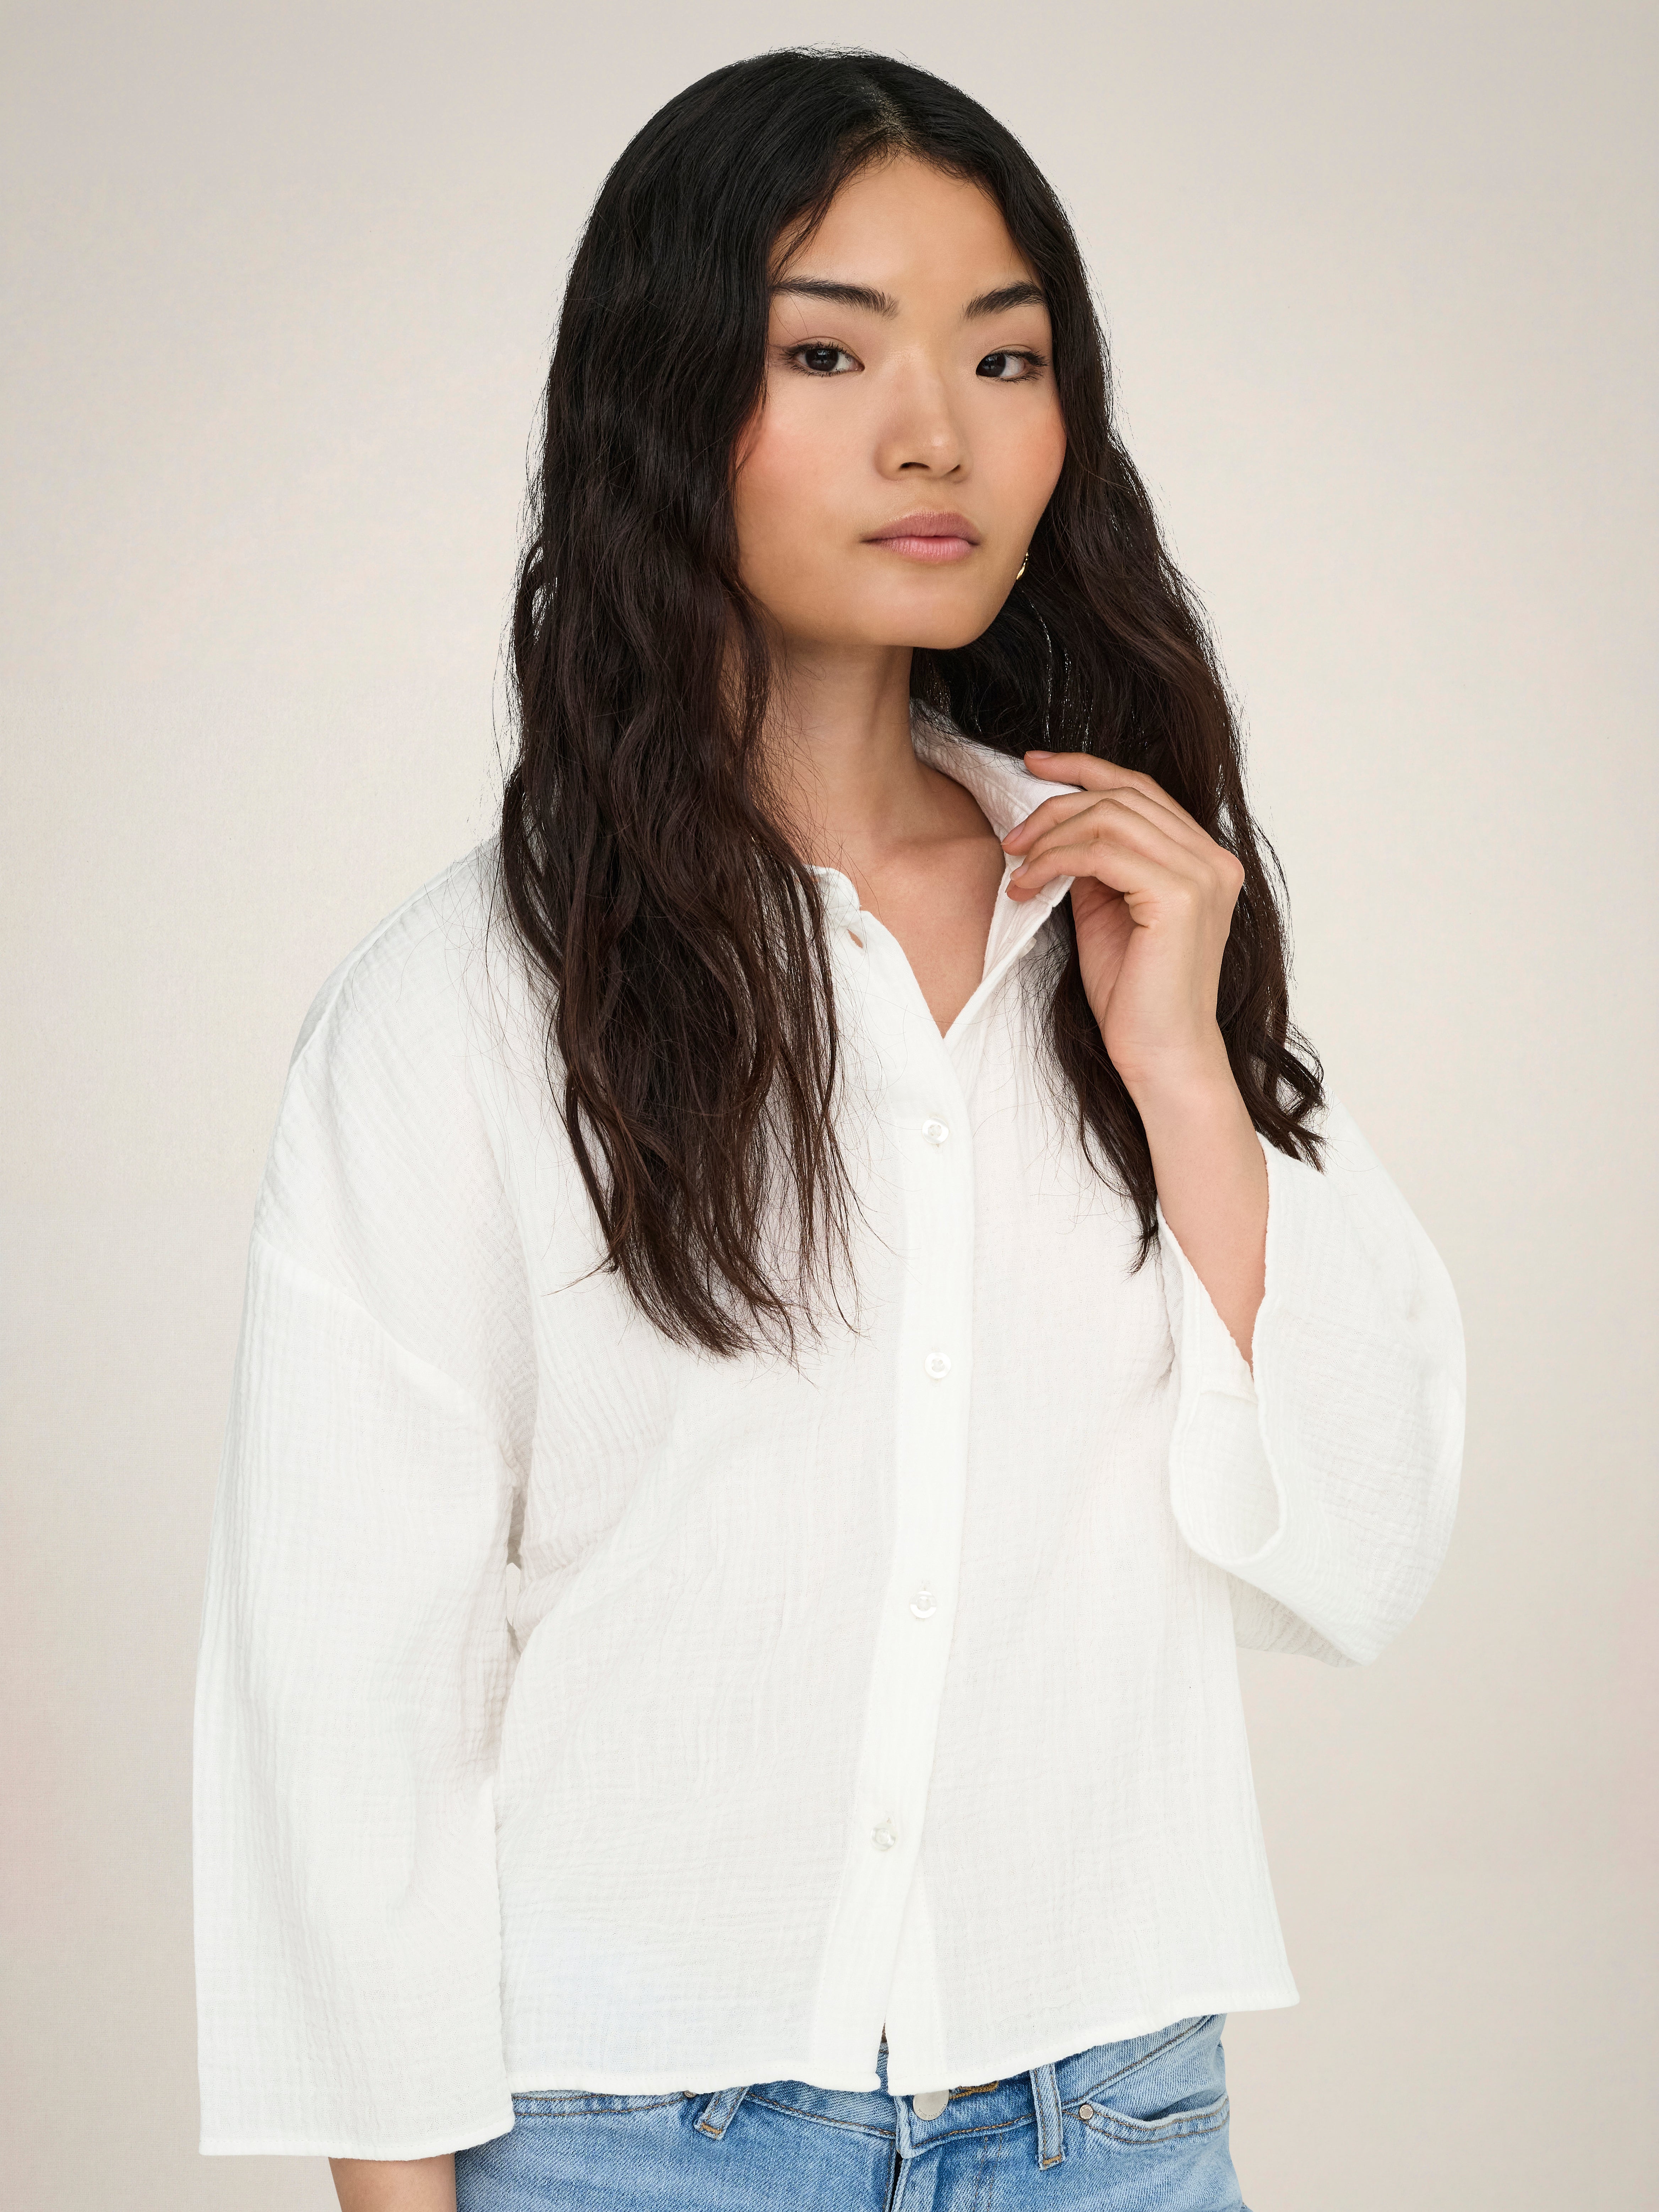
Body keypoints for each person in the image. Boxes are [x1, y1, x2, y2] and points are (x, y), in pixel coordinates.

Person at [191, 48, 1465, 2212]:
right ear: (667, 396)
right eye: (828, 350)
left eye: (1005, 356)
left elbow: (1360, 1541)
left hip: (1110, 2128)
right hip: (626, 2145)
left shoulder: (1130, 930)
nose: (933, 433)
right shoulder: (459, 1011)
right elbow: (347, 1696)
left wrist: (1184, 1070)